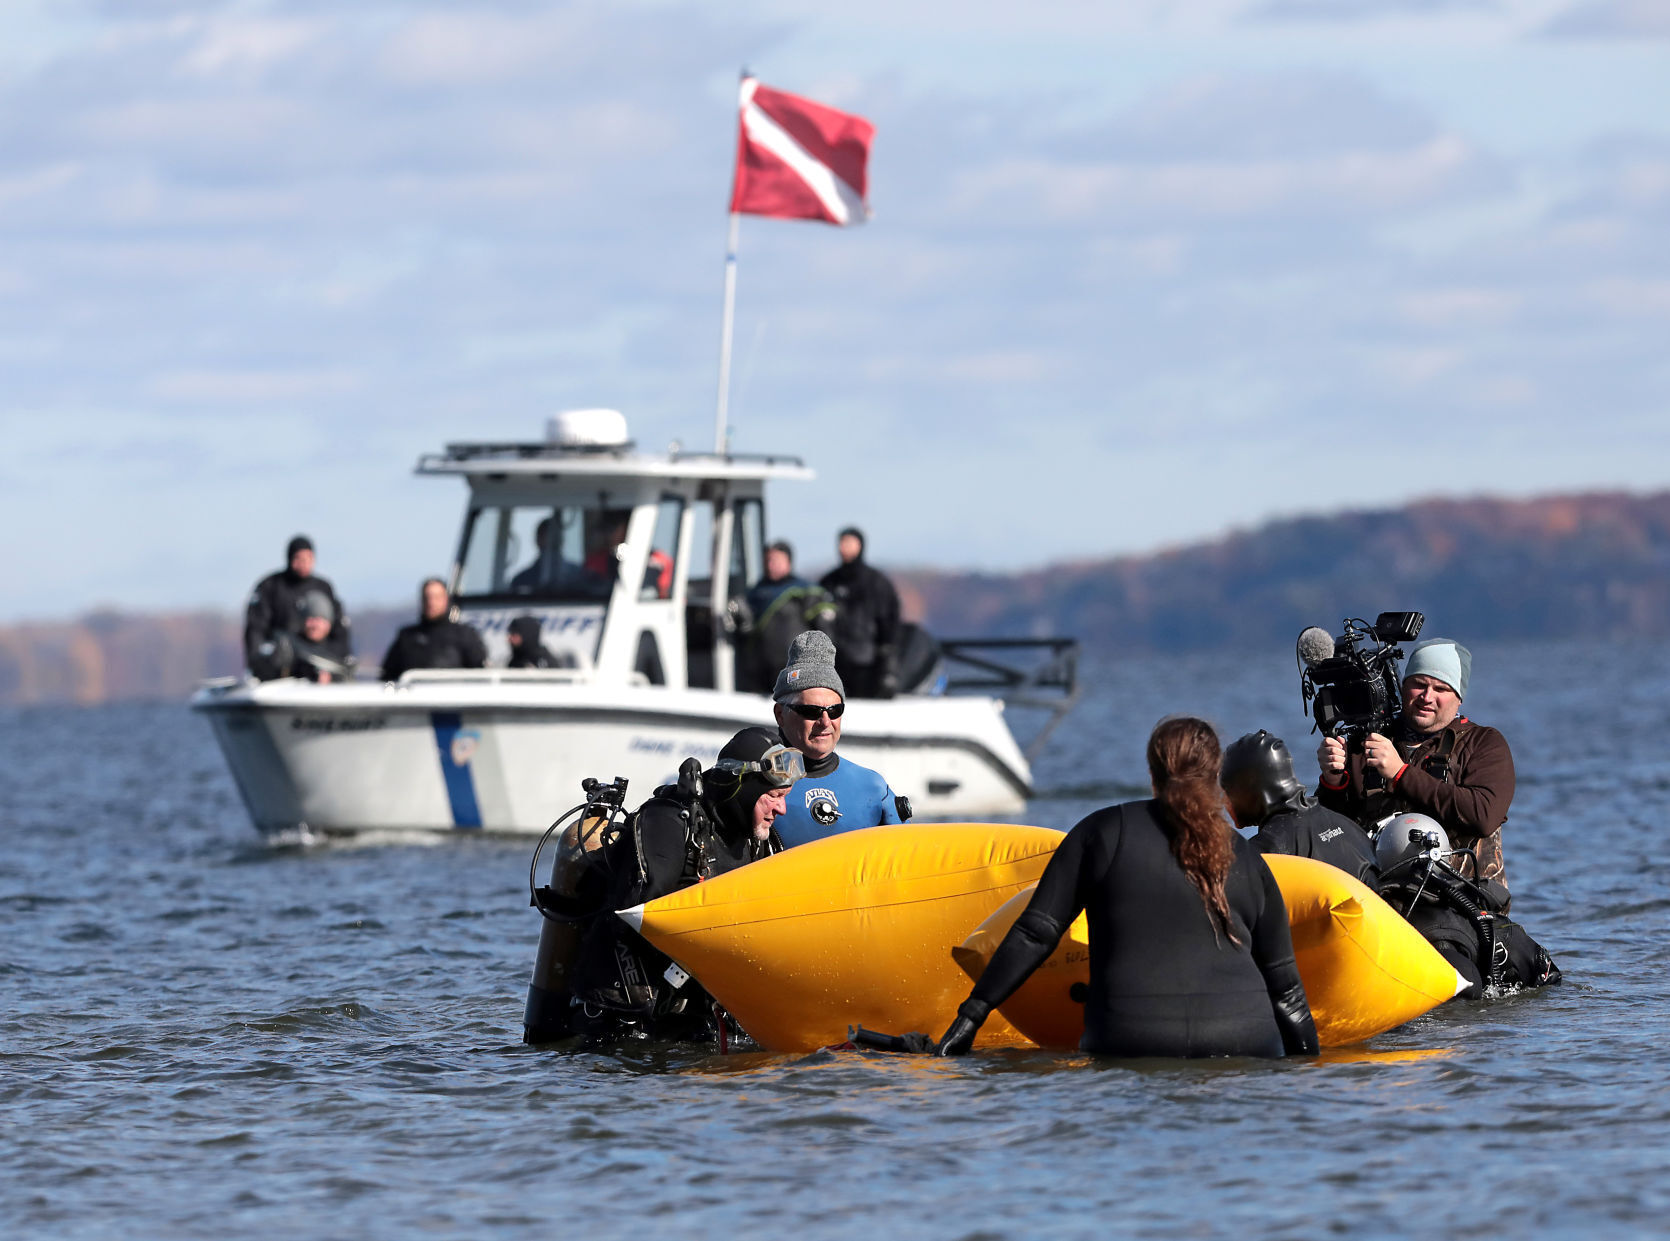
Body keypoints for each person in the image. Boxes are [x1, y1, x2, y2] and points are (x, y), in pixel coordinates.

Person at [937, 717, 1318, 1059]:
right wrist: (1311, 1075)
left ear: (1153, 774)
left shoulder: (1103, 833)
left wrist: (971, 1016)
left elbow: (1036, 934)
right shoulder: (1248, 858)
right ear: (1215, 775)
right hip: (1247, 1047)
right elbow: (1288, 993)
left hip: (1129, 1042)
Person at [552, 727, 803, 1043]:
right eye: (774, 797)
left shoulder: (756, 842)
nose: (781, 809)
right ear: (742, 788)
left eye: (785, 797)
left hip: (689, 1023)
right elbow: (633, 921)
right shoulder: (669, 823)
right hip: (620, 1029)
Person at [1316, 637, 1515, 910]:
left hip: (1462, 904)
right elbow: (1332, 832)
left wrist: (1401, 774)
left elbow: (1483, 815)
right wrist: (1333, 781)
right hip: (1380, 903)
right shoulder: (1370, 741)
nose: (1427, 697)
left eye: (1440, 688)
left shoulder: (1483, 744)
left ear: (1458, 698)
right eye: (1419, 684)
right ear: (1403, 687)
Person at [769, 631, 908, 849]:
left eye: (834, 710)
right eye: (811, 710)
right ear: (780, 714)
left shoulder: (873, 788)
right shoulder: (754, 783)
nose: (825, 722)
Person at [1221, 730, 1379, 890]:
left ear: (1248, 790)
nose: (1224, 800)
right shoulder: (1352, 829)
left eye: (1228, 790)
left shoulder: (1263, 853)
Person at [244, 535, 353, 681]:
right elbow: (255, 630)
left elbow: (340, 631)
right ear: (290, 559)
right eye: (299, 558)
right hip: (282, 663)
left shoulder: (323, 588)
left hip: (320, 659)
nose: (304, 563)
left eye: (308, 558)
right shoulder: (271, 587)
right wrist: (259, 663)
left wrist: (337, 660)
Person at [738, 541, 837, 694]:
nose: (771, 565)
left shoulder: (805, 591)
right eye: (768, 561)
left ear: (788, 562)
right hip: (760, 672)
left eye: (776, 561)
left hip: (794, 670)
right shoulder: (754, 594)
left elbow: (825, 631)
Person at [819, 526, 902, 699]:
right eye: (841, 543)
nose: (844, 548)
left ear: (861, 546)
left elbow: (890, 623)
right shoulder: (828, 582)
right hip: (835, 662)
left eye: (849, 543)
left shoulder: (876, 583)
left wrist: (888, 666)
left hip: (867, 663)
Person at [379, 579, 488, 681]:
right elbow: (387, 676)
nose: (431, 602)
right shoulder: (407, 637)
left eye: (436, 597)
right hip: (413, 698)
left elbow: (480, 674)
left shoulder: (465, 635)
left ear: (446, 599)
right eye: (427, 597)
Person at [506, 615, 572, 669]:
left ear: (527, 636)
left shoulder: (547, 662)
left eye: (514, 635)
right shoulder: (514, 662)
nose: (509, 639)